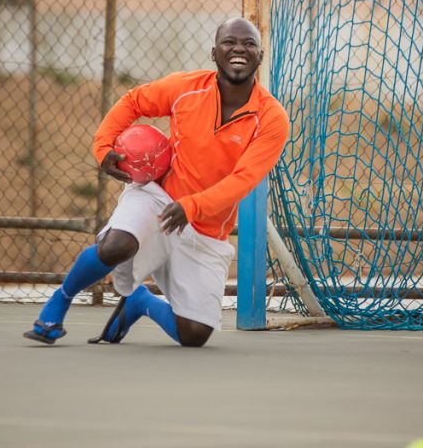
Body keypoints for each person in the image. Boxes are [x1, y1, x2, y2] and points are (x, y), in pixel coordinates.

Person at [24, 18, 289, 348]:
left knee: (194, 335)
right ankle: (56, 308)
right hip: (160, 197)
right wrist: (103, 146)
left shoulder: (272, 118)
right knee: (116, 246)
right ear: (214, 53)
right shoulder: (185, 88)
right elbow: (133, 101)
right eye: (229, 42)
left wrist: (192, 206)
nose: (239, 49)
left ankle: (139, 302)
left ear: (260, 56)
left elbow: (244, 179)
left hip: (206, 226)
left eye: (249, 43)